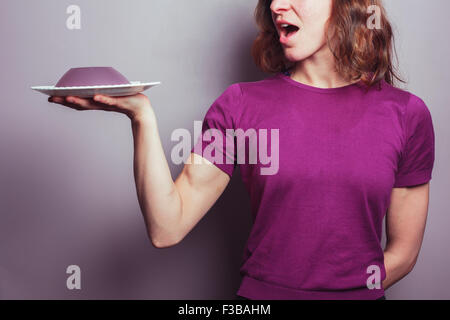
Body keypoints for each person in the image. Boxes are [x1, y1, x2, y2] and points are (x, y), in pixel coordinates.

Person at [48, 0, 435, 300]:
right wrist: (141, 117)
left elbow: (403, 251)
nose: (276, 6)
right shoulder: (240, 106)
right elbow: (167, 227)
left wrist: (348, 287)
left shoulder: (406, 114)